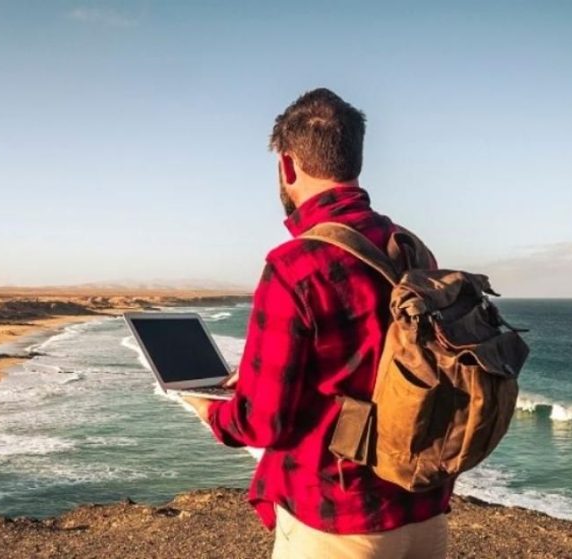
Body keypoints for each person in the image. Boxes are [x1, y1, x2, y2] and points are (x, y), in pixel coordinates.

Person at [181, 88, 452, 559]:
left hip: (339, 522)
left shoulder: (293, 265)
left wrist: (211, 412)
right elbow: (384, 367)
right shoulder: (413, 249)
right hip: (425, 509)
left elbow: (262, 423)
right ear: (354, 160)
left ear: (287, 166)